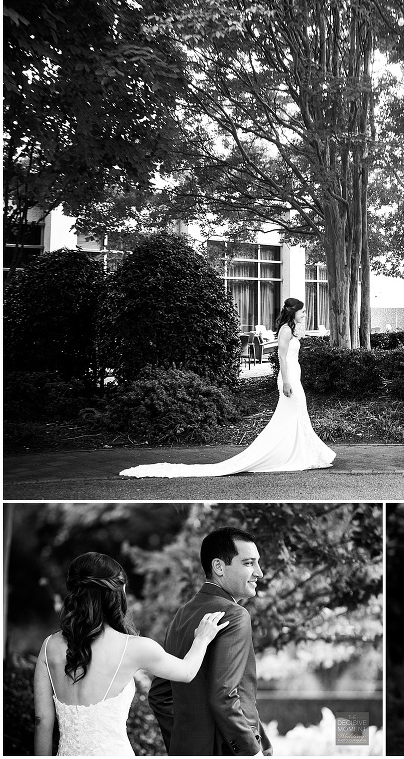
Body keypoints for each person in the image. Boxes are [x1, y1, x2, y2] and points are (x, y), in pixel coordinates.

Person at [33, 553, 228, 756]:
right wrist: (202, 639)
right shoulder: (135, 648)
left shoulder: (50, 646)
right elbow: (187, 672)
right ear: (117, 593)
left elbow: (42, 722)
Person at [119, 298, 335, 477]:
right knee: (294, 413)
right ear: (293, 312)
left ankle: (300, 452)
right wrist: (286, 381)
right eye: (303, 311)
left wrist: (300, 329)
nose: (305, 314)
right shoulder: (286, 330)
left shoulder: (292, 328)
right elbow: (281, 356)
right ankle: (291, 454)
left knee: (297, 415)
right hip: (289, 378)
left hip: (294, 374)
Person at [148, 527, 273, 756]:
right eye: (248, 563)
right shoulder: (235, 614)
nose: (259, 573)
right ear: (218, 567)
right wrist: (251, 751)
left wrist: (185, 739)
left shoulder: (182, 615)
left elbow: (159, 696)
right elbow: (224, 694)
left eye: (257, 563)